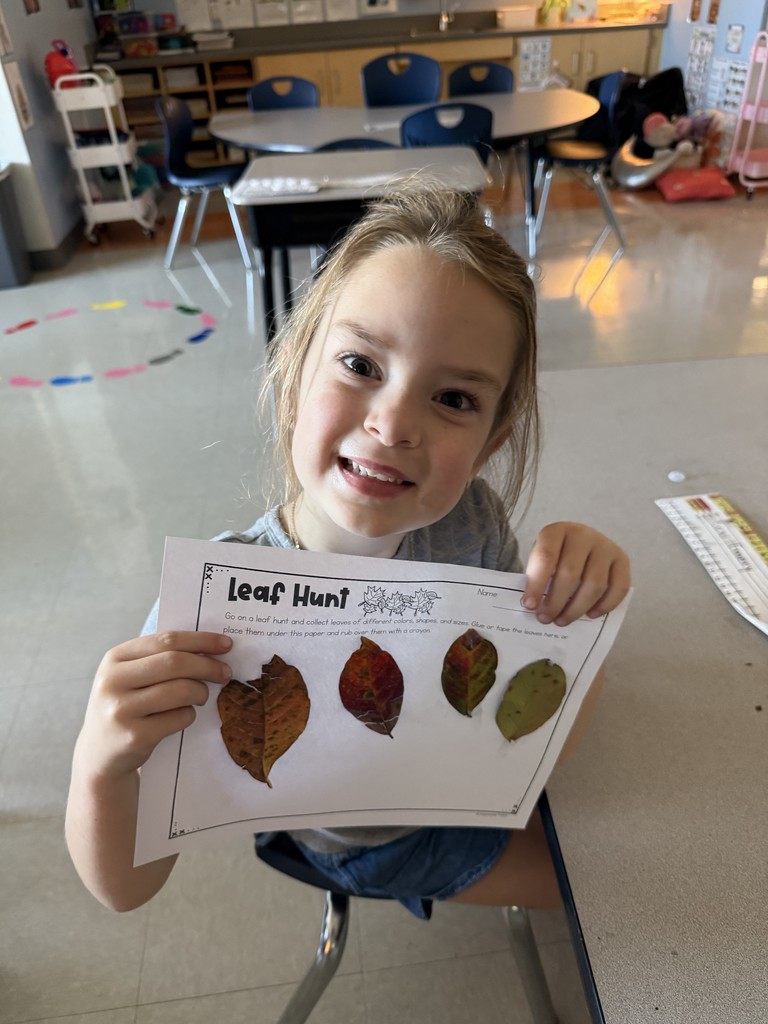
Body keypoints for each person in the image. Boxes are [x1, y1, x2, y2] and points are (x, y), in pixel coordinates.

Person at [66, 187, 630, 917]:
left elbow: (523, 713)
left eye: (454, 398)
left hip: (462, 791)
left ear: (490, 444)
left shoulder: (473, 524)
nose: (393, 424)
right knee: (618, 898)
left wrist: (578, 606)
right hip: (372, 845)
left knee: (634, 844)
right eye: (361, 364)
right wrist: (101, 763)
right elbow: (125, 890)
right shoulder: (211, 608)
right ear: (295, 373)